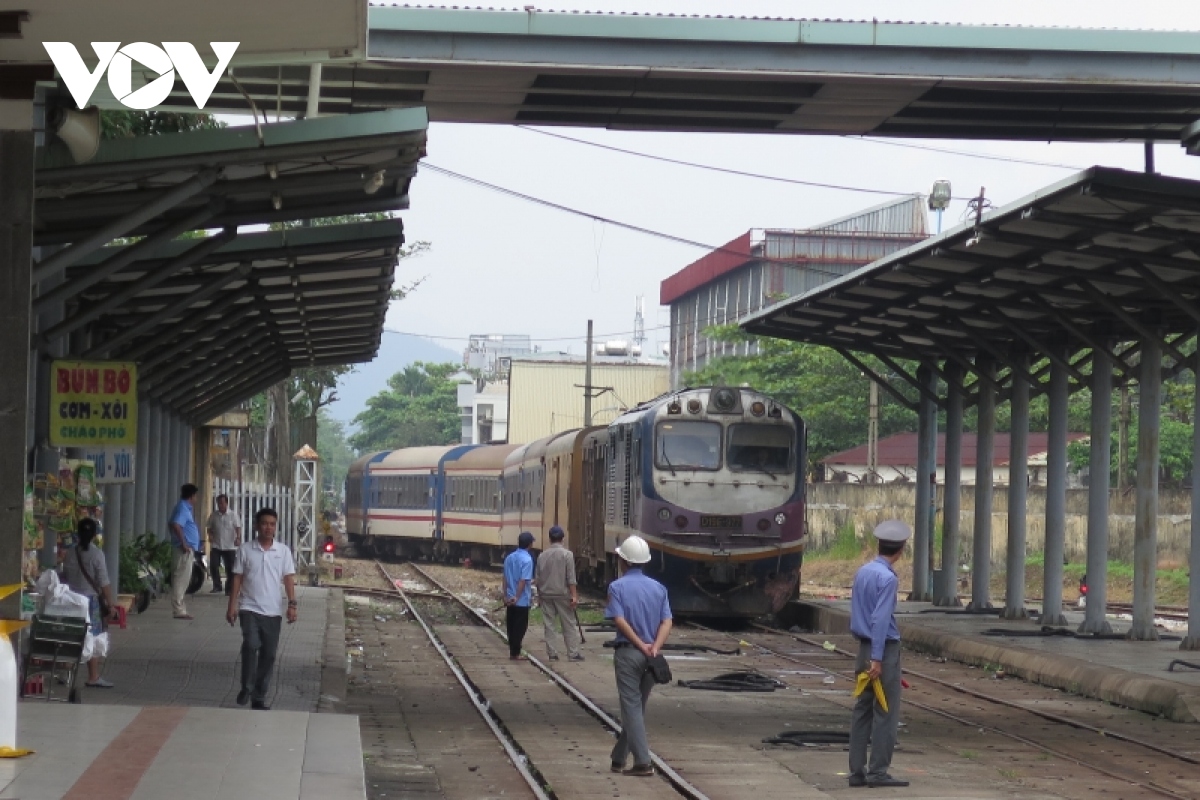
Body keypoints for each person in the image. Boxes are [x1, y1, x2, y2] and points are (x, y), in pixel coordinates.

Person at [847, 519, 911, 789]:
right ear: (901, 550)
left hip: (862, 648)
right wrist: (877, 658)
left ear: (878, 545)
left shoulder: (863, 571)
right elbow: (881, 620)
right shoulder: (888, 578)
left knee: (862, 710)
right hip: (881, 651)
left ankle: (856, 772)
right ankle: (878, 772)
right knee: (885, 712)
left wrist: (867, 655)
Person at [606, 535, 672, 778]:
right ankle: (618, 758)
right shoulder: (659, 588)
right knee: (636, 708)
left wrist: (640, 645)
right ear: (645, 562)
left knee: (631, 707)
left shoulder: (617, 587)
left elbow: (619, 620)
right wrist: (654, 647)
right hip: (652, 658)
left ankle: (643, 762)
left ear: (623, 561)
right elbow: (667, 621)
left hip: (629, 654)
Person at [226, 507, 296, 711]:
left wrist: (292, 604)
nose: (268, 527)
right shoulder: (246, 550)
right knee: (250, 644)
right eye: (264, 523)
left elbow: (289, 579)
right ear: (257, 526)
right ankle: (246, 687)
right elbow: (237, 578)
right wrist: (232, 606)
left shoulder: (283, 551)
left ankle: (259, 697)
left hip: (273, 611)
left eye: (272, 524)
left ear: (276, 527)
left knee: (269, 655)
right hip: (249, 608)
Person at [62, 518, 117, 688]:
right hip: (90, 603)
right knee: (92, 637)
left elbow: (65, 576)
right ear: (95, 534)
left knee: (72, 636)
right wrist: (111, 605)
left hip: (72, 601)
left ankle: (66, 674)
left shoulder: (70, 553)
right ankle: (93, 676)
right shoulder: (96, 554)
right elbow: (104, 582)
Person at [534, 525, 583, 662]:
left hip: (546, 594)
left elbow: (538, 578)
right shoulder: (567, 555)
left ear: (550, 539)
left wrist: (539, 596)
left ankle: (552, 654)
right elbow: (571, 578)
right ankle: (573, 653)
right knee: (568, 624)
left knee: (549, 625)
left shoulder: (542, 556)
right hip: (562, 594)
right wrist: (574, 596)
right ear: (562, 538)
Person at [168, 483, 202, 620]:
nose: (196, 499)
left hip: (184, 548)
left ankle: (180, 608)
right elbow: (176, 524)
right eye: (196, 496)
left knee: (182, 578)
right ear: (192, 496)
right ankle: (179, 610)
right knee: (181, 579)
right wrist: (183, 543)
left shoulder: (182, 507)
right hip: (184, 550)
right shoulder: (183, 508)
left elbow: (171, 523)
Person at [502, 531, 535, 660]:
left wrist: (505, 595)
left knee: (510, 625)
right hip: (521, 600)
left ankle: (513, 651)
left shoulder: (509, 557)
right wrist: (517, 596)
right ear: (529, 544)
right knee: (520, 627)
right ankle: (515, 653)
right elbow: (523, 580)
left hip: (509, 597)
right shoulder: (527, 560)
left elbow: (504, 578)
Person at [206, 494, 242, 595]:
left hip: (229, 546)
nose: (220, 505)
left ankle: (229, 589)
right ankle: (217, 586)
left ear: (226, 503)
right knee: (213, 565)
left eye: (222, 503)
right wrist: (210, 535)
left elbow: (238, 527)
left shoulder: (233, 515)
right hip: (216, 545)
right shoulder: (214, 515)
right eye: (218, 503)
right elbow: (209, 527)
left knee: (230, 568)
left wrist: (238, 538)